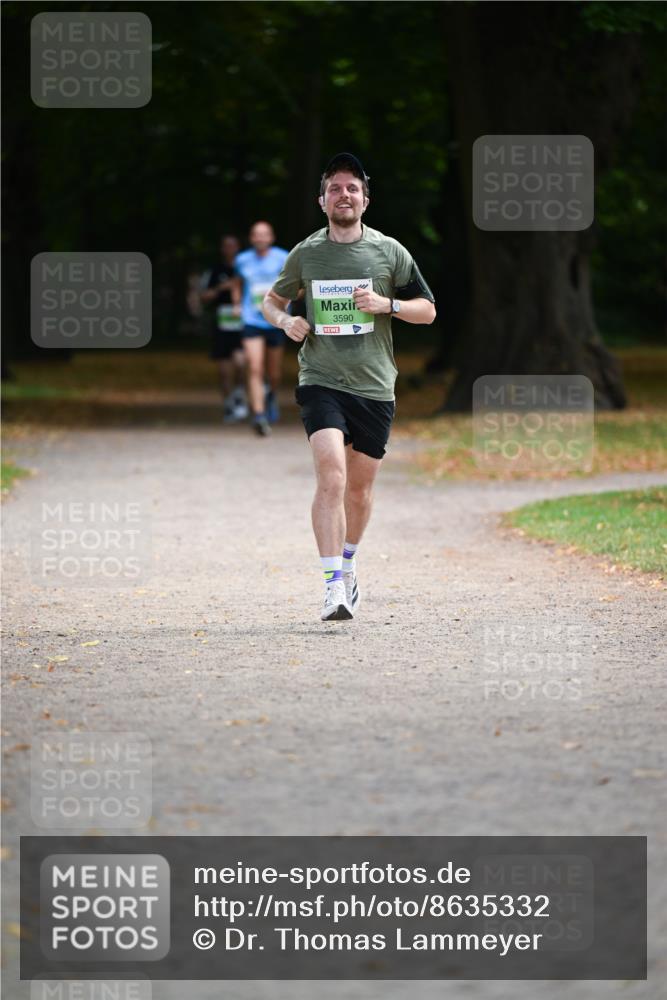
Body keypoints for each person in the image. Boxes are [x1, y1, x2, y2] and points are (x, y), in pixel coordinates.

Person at [262, 152, 436, 622]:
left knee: (358, 491)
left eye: (352, 188)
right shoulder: (307, 253)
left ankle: (349, 562)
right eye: (335, 188)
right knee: (331, 475)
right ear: (322, 201)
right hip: (320, 378)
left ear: (365, 199)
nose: (344, 195)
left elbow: (428, 310)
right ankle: (332, 585)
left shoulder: (389, 252)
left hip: (375, 384)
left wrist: (387, 304)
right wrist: (286, 322)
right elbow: (271, 300)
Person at [235, 221, 289, 436]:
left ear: (271, 237)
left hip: (275, 318)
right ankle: (258, 414)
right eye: (256, 234)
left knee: (274, 373)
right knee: (255, 367)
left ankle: (271, 395)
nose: (260, 238)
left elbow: (294, 285)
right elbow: (237, 282)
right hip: (252, 320)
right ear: (251, 238)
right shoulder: (242, 260)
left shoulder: (283, 257)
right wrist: (238, 302)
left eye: (264, 234)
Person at [200, 234, 248, 423]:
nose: (230, 250)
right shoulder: (214, 271)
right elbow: (204, 297)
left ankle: (239, 395)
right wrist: (222, 287)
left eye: (233, 246)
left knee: (241, 364)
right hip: (221, 324)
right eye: (226, 246)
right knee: (224, 370)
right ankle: (229, 404)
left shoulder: (245, 269)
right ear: (222, 249)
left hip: (243, 323)